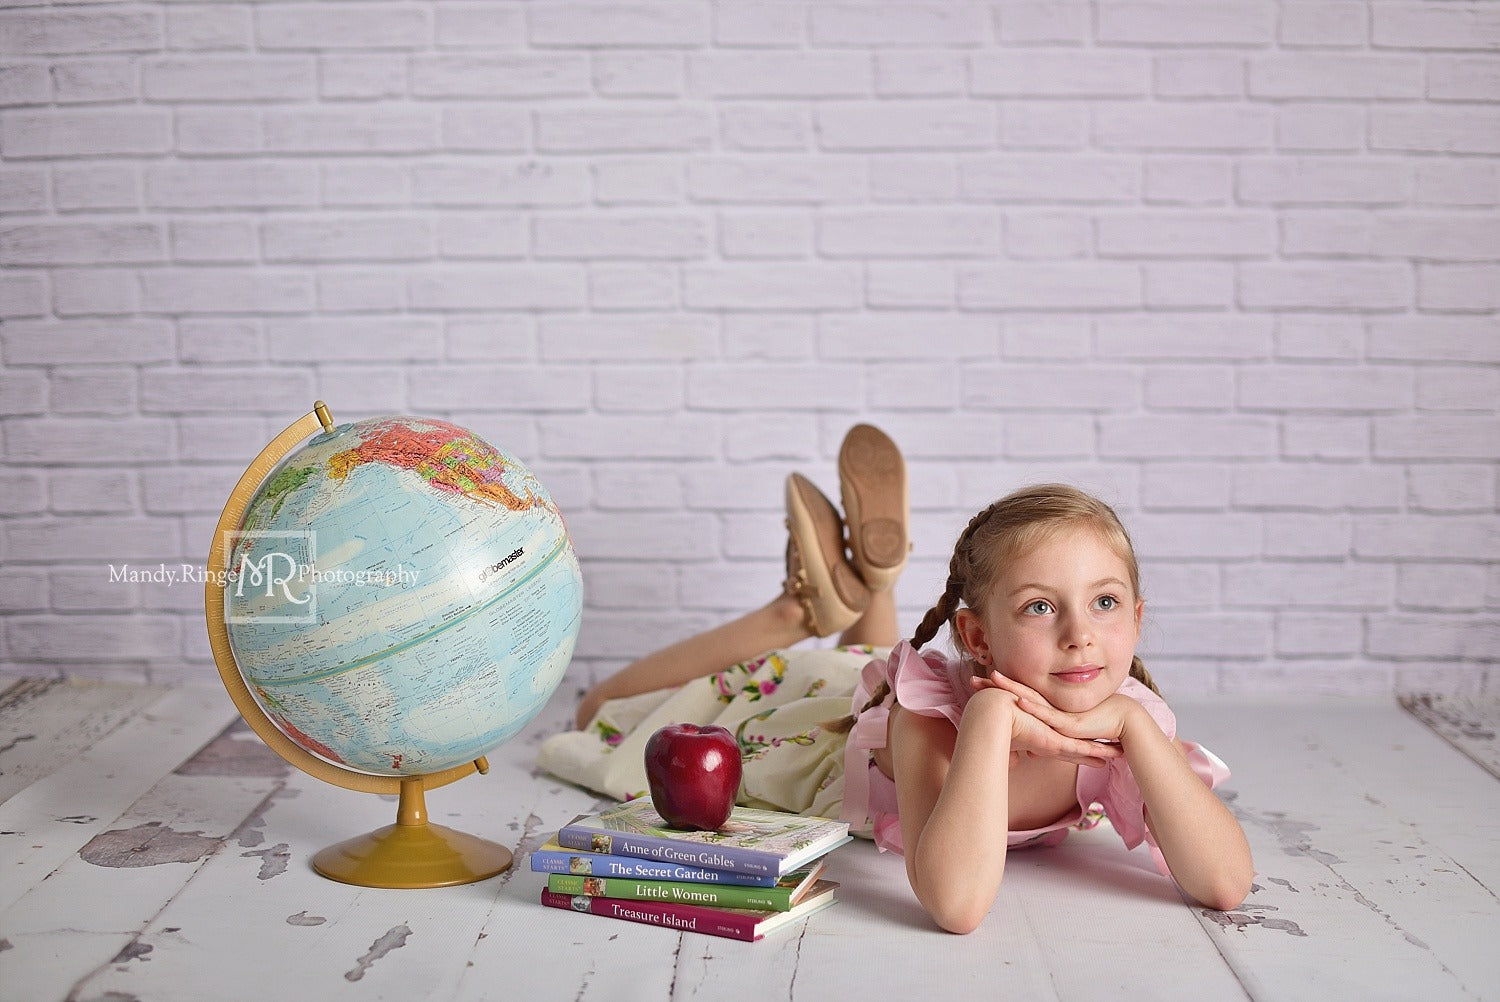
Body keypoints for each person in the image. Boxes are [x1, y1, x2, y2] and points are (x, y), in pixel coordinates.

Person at [540, 425, 1253, 934]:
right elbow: (957, 905)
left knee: (868, 660)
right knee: (601, 713)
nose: (1081, 634)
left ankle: (871, 583)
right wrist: (990, 718)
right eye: (1040, 606)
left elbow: (1224, 883)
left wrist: (1132, 727)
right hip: (809, 734)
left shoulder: (1126, 720)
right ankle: (795, 612)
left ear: (1136, 615)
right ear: (976, 637)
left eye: (1105, 602)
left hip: (870, 685)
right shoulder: (931, 715)